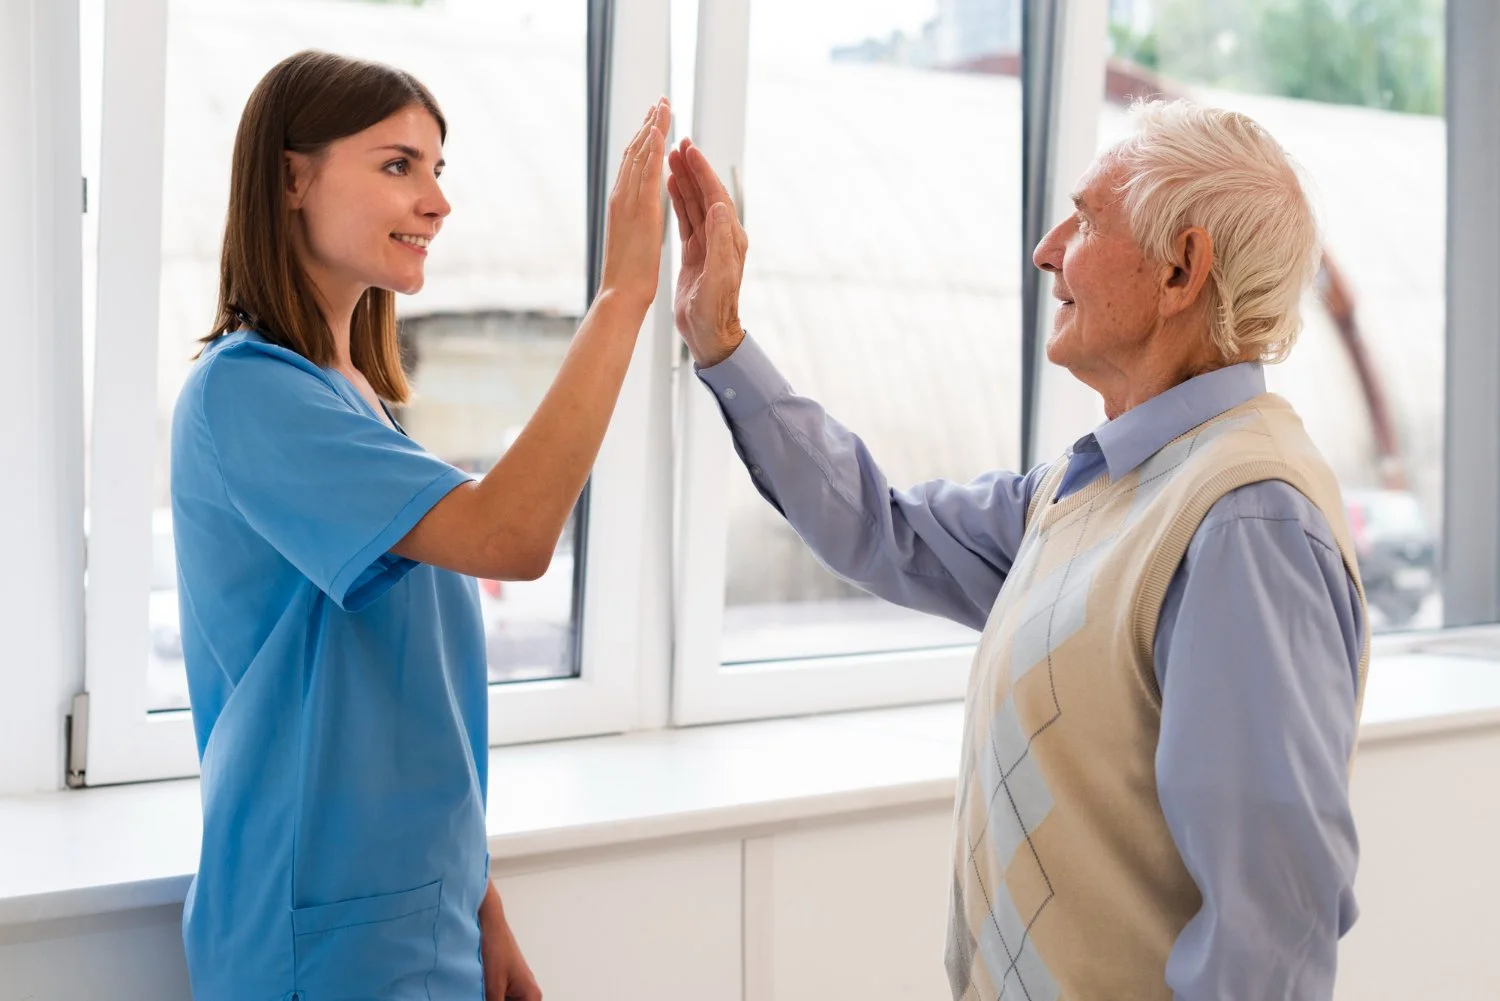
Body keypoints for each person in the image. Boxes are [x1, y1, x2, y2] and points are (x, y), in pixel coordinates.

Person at [668, 99, 1368, 1000]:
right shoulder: (1091, 486)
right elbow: (884, 529)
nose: (1047, 248)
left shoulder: (1244, 524)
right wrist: (723, 344)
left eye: (1087, 220)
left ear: (1182, 269)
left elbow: (1267, 930)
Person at [169, 49, 668, 999]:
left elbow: (417, 707)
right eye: (398, 165)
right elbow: (507, 535)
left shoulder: (352, 396)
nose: (436, 202)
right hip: (316, 938)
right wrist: (622, 300)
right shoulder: (248, 395)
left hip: (415, 920)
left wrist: (481, 908)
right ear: (290, 179)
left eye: (439, 170)